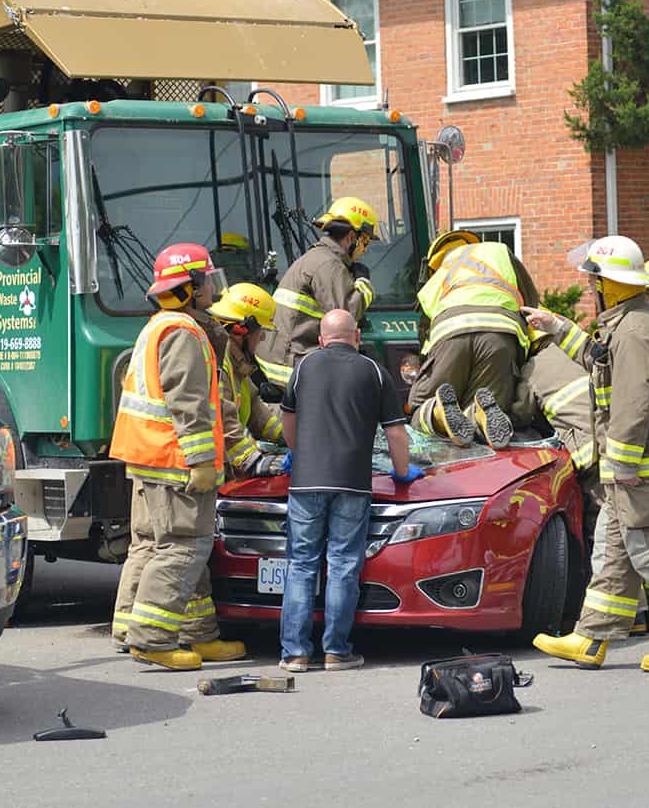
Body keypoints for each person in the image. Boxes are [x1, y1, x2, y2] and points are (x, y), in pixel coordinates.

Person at [525, 235, 649, 674]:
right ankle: (590, 638)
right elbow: (598, 362)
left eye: (595, 278)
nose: (591, 285)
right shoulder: (629, 323)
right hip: (627, 466)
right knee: (613, 551)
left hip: (639, 467)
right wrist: (557, 328)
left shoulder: (635, 330)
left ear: (608, 284)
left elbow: (633, 401)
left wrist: (625, 462)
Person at [110, 243, 245, 670]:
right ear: (191, 287)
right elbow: (188, 403)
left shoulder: (157, 326)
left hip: (148, 458)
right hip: (174, 461)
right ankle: (151, 639)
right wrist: (202, 462)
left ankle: (176, 631)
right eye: (207, 280)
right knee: (184, 547)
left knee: (152, 545)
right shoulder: (184, 333)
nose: (212, 288)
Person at [278, 310, 423, 672]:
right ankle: (336, 651)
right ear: (356, 336)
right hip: (352, 484)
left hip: (306, 482)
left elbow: (288, 419)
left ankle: (295, 653)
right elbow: (395, 432)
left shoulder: (304, 367)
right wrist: (403, 472)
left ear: (322, 338)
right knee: (342, 565)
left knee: (301, 565)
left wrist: (298, 453)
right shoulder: (373, 371)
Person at [510, 328, 649, 635]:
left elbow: (519, 414)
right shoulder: (575, 354)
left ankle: (631, 614)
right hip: (621, 445)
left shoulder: (533, 368)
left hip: (592, 455)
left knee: (609, 534)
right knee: (635, 528)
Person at [407, 232, 539, 449]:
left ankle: (438, 413)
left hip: (450, 333)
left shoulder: (442, 272)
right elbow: (532, 303)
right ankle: (477, 416)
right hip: (501, 333)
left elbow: (425, 326)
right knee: (488, 406)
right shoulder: (500, 252)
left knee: (419, 407)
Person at [255, 196, 381, 387]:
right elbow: (345, 317)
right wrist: (364, 285)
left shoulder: (317, 258)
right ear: (351, 238)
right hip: (293, 366)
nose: (364, 250)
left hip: (283, 359)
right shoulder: (329, 265)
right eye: (366, 242)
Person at [210, 283, 287, 478]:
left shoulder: (237, 363)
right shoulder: (219, 361)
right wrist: (252, 461)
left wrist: (289, 434)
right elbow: (222, 423)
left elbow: (255, 409)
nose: (261, 339)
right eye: (260, 332)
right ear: (241, 330)